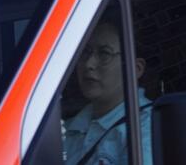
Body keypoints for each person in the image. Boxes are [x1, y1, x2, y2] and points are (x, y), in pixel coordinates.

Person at [63, 13, 152, 165]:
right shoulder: (67, 128)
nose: (89, 64)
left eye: (104, 53)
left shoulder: (147, 128)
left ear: (135, 69)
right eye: (85, 52)